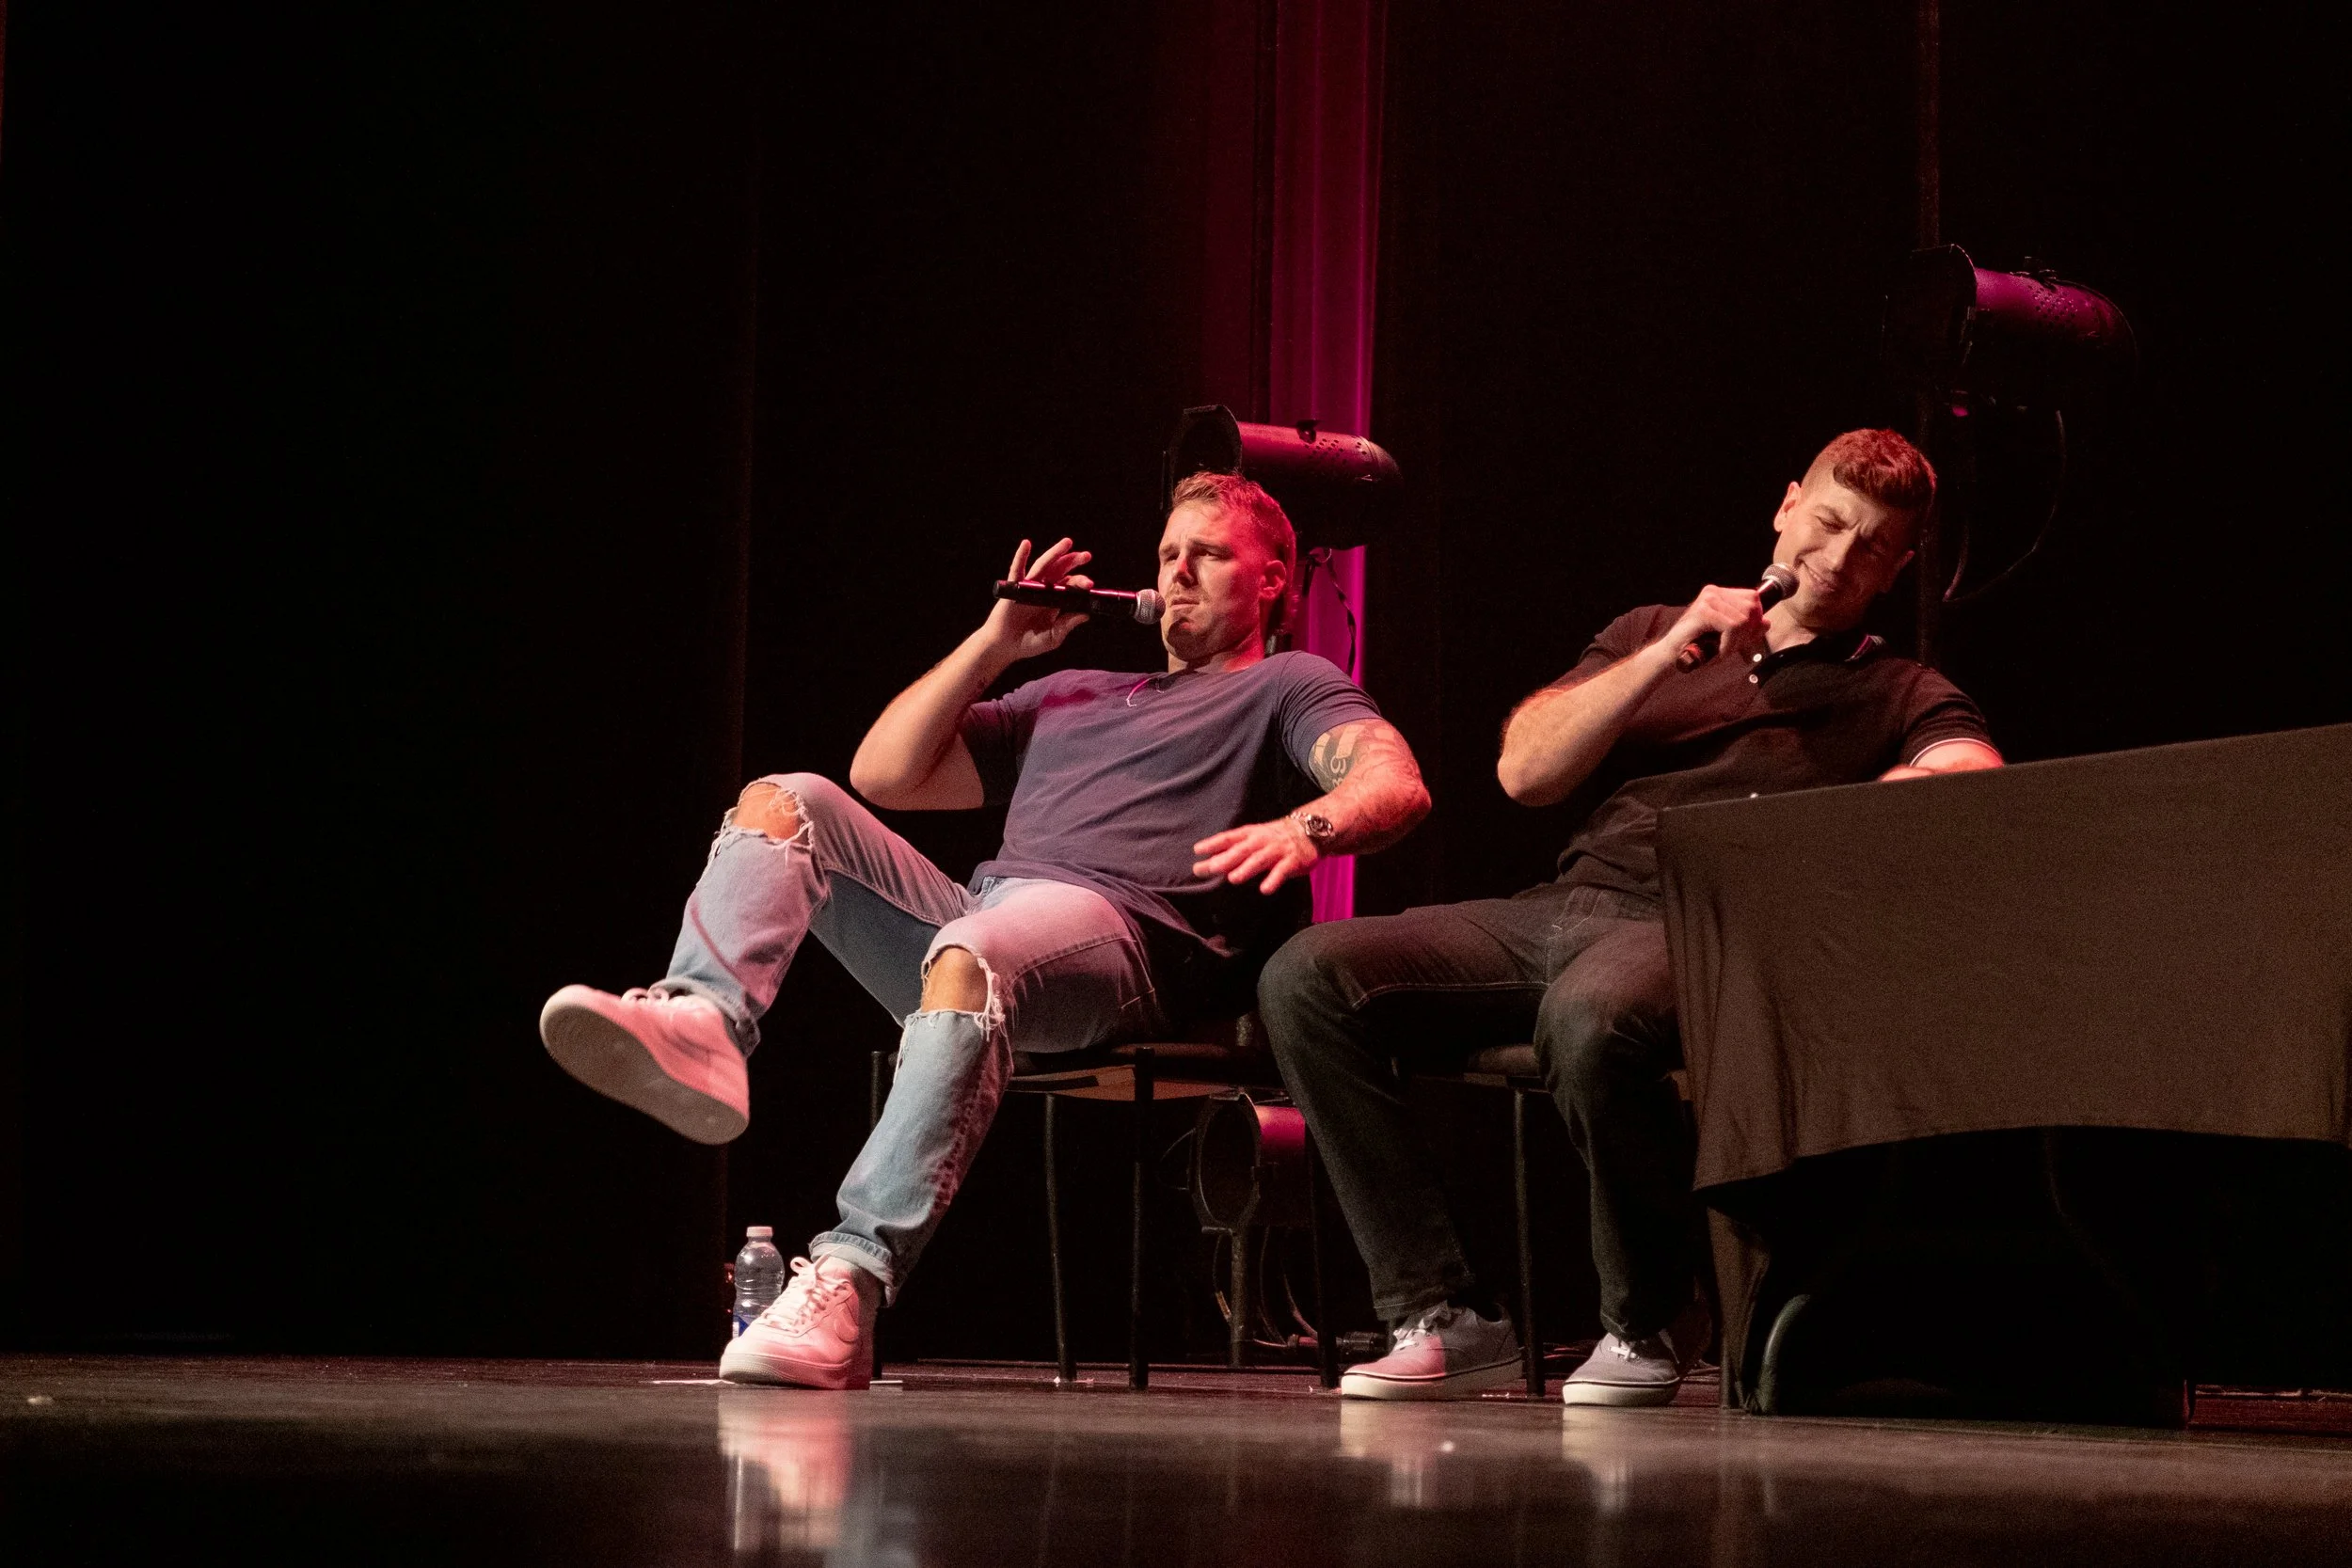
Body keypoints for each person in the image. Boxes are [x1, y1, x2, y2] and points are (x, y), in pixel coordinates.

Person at [540, 470, 1431, 1389]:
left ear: (1274, 578)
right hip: (990, 916)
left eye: (1207, 553)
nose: (1178, 573)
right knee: (788, 799)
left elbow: (1392, 780)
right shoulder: (1070, 692)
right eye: (1167, 554)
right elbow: (885, 773)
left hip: (1123, 939)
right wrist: (993, 643)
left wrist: (1305, 826)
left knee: (977, 951)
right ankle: (705, 1021)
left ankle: (850, 1279)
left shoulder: (1288, 685)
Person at [1259, 429, 2002, 1404]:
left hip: (1702, 924)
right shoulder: (1659, 627)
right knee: (1308, 975)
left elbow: (1970, 783)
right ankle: (1442, 1310)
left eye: (1870, 545)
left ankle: (1649, 1314)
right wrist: (1663, 653)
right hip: (1560, 908)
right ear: (1785, 506)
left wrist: (1871, 796)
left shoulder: (1896, 686)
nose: (1834, 556)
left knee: (1590, 1018)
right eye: (1825, 522)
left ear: (1897, 565)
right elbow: (1525, 771)